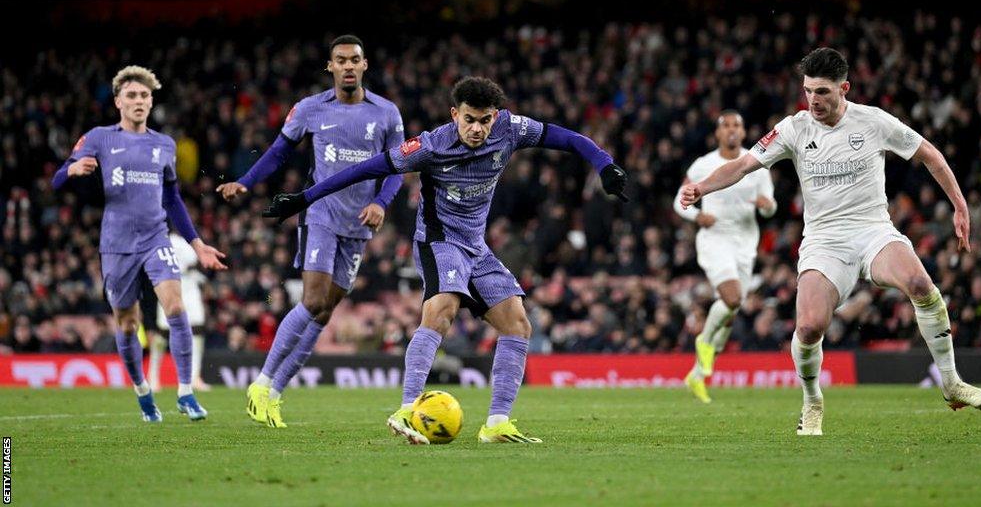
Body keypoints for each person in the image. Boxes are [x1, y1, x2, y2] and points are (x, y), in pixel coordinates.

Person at [263, 76, 628, 443]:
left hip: (476, 246)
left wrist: (605, 164)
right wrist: (305, 198)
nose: (477, 128)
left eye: (485, 120)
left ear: (495, 116)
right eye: (469, 119)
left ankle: (497, 424)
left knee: (518, 325)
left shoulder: (511, 128)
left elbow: (569, 139)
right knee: (442, 311)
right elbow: (369, 168)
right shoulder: (431, 146)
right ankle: (407, 410)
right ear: (455, 114)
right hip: (438, 241)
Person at [678, 47, 981, 435]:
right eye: (808, 91)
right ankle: (812, 400)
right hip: (824, 242)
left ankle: (951, 384)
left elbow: (929, 154)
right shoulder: (793, 128)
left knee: (920, 285)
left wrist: (960, 206)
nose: (813, 100)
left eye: (823, 92)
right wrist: (701, 188)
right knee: (810, 327)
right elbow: (744, 165)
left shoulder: (873, 122)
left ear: (844, 88)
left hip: (873, 230)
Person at [216, 34, 405, 428]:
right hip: (320, 214)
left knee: (323, 314)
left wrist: (380, 203)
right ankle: (261, 384)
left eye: (355, 59)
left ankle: (275, 395)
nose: (349, 66)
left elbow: (396, 171)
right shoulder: (309, 109)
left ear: (365, 65)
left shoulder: (387, 114)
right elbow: (279, 151)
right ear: (330, 67)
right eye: (341, 60)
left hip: (358, 225)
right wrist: (247, 181)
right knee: (313, 300)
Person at [52, 65, 227, 422]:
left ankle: (185, 393)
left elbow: (173, 199)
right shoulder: (99, 138)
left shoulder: (164, 144)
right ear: (118, 101)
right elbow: (56, 181)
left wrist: (197, 244)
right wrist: (70, 171)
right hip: (116, 245)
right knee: (129, 324)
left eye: (145, 96)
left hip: (155, 238)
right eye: (132, 95)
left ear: (151, 102)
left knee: (176, 309)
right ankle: (143, 392)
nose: (139, 101)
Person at [673, 110, 775, 403]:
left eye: (737, 126)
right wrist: (696, 215)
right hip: (715, 240)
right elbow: (679, 200)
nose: (731, 130)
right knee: (732, 298)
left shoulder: (757, 163)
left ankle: (697, 374)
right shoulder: (703, 164)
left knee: (730, 310)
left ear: (743, 133)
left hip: (746, 242)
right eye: (726, 126)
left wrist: (767, 205)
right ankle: (703, 343)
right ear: (717, 133)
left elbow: (770, 208)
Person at [150, 233, 212, 392]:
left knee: (197, 328)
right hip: (169, 283)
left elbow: (198, 262)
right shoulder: (162, 239)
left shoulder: (192, 238)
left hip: (190, 285)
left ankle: (195, 377)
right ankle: (153, 376)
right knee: (163, 333)